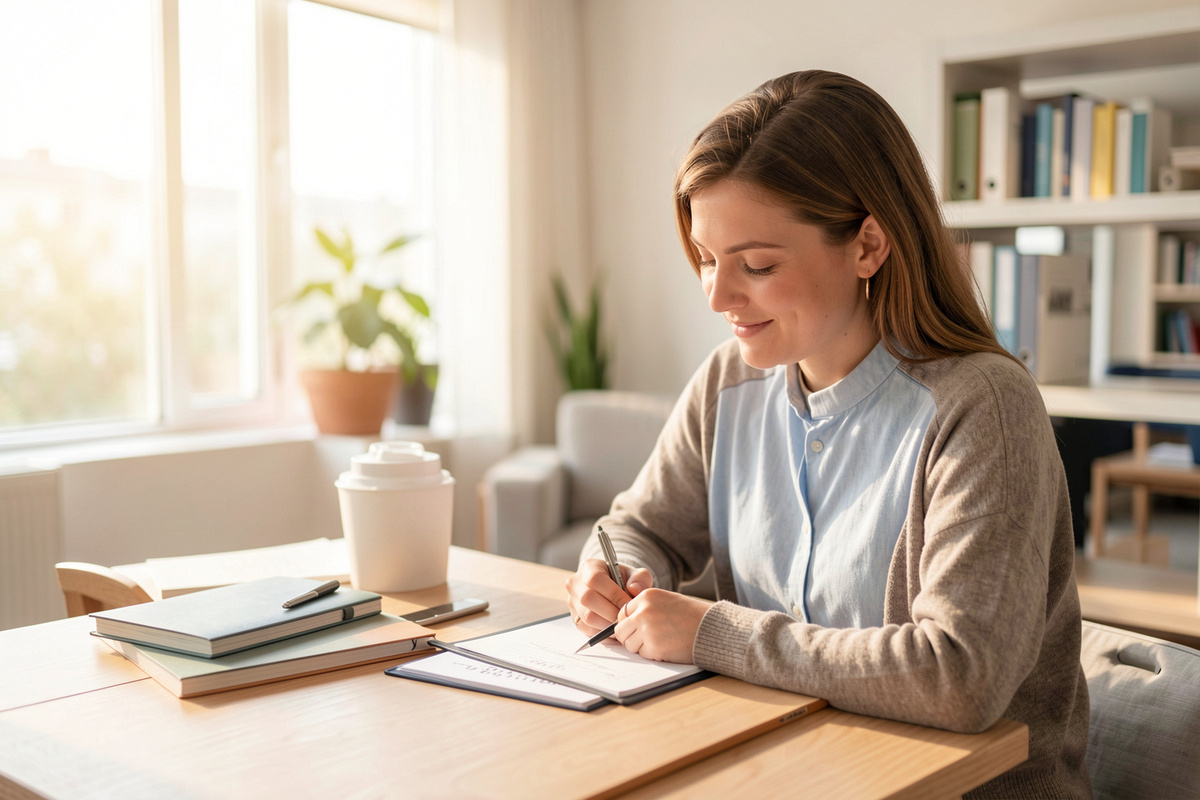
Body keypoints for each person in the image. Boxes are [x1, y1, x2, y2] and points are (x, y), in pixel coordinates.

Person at [565, 70, 1091, 798]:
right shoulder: (729, 385)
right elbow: (638, 526)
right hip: (784, 773)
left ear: (868, 244)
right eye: (708, 260)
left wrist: (712, 633)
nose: (717, 296)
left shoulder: (983, 409)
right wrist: (612, 572)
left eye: (756, 264)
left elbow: (958, 675)